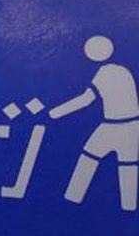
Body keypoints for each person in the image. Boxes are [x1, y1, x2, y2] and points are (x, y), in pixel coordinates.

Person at [48, 34, 139, 213]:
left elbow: (86, 99)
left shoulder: (104, 73)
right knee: (128, 166)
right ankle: (129, 206)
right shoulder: (124, 71)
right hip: (132, 126)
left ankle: (73, 198)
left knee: (88, 157)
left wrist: (55, 113)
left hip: (112, 126)